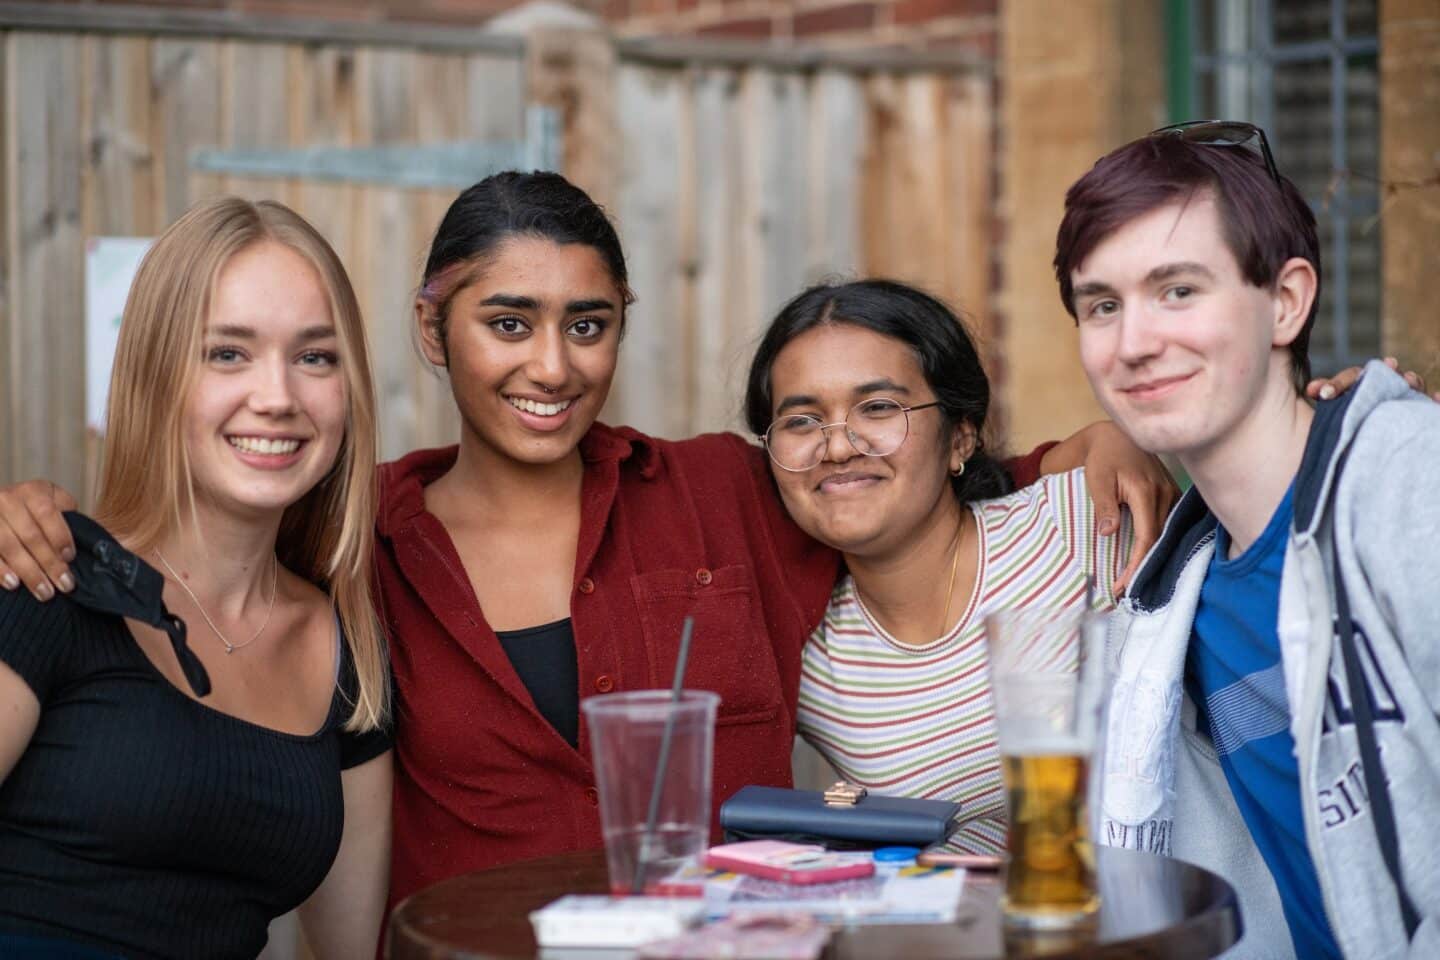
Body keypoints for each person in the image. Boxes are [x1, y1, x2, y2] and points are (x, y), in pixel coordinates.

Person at [0, 172, 1193, 911]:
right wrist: (36, 513)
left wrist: (1082, 452)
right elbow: (201, 527)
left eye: (588, 324)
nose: (551, 365)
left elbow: (878, 476)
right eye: (507, 322)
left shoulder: (728, 493)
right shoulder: (353, 539)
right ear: (432, 329)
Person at [1054, 121, 1440, 959]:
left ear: (1287, 302)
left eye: (1179, 291)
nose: (1134, 343)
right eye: (1103, 305)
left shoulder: (1409, 482)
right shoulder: (1170, 601)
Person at [0, 198, 393, 958]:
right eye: (228, 353)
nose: (277, 397)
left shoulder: (354, 656)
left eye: (315, 356)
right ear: (156, 373)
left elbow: (351, 953)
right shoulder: (44, 579)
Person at [745, 279, 1132, 854]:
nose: (838, 446)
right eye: (802, 420)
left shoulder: (1076, 525)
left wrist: (1122, 441)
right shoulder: (814, 655)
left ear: (960, 437)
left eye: (877, 407)